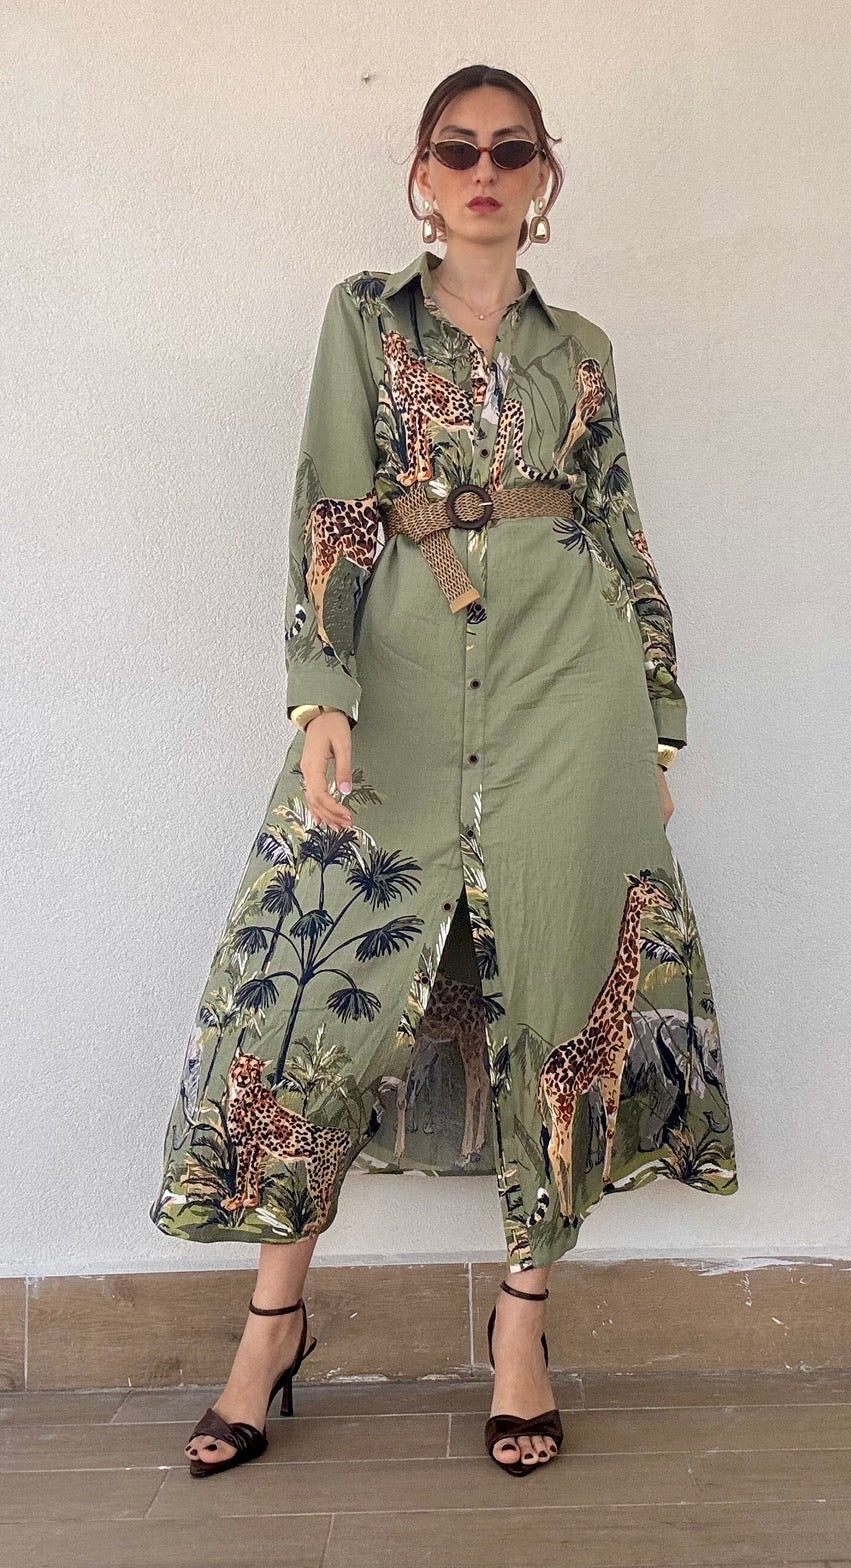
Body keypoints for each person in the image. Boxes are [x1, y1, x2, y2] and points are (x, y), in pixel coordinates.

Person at [149, 62, 738, 1480]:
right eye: (457, 149)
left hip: (570, 694)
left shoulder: (580, 349)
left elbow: (619, 527)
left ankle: (520, 1329)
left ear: (543, 179)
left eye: (510, 150)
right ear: (422, 174)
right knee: (311, 999)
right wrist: (321, 692)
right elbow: (331, 504)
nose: (483, 170)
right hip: (405, 688)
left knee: (561, 985)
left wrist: (656, 715)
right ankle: (272, 1327)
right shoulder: (364, 318)